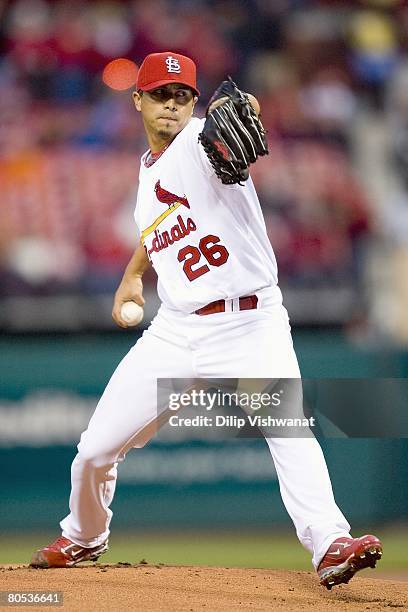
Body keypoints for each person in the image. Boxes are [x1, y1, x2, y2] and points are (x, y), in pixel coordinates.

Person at [30, 52, 382, 589]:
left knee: (288, 430)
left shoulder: (200, 143)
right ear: (138, 101)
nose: (172, 105)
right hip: (175, 328)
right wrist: (132, 274)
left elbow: (240, 115)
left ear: (195, 104)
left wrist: (243, 109)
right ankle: (83, 535)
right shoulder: (146, 179)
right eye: (161, 95)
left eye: (182, 96)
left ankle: (330, 541)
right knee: (95, 450)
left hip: (251, 321)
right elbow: (160, 227)